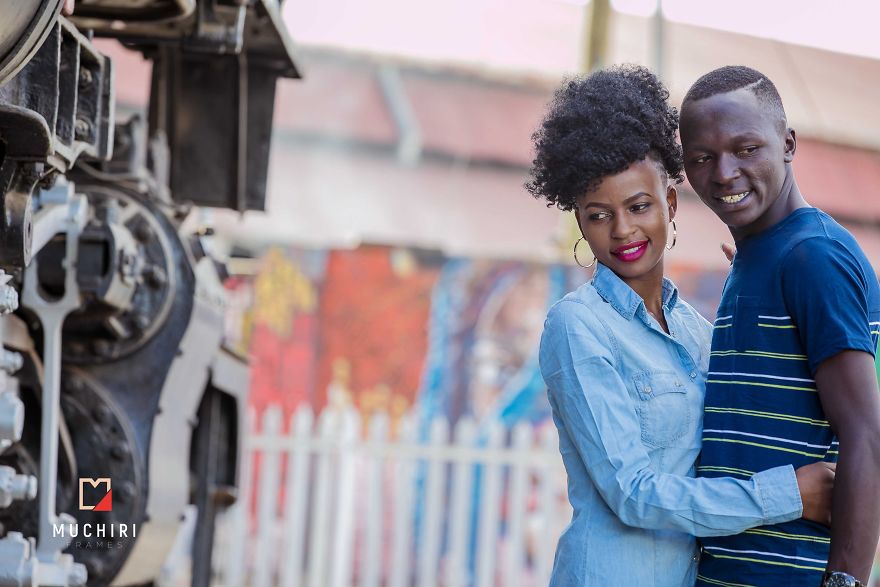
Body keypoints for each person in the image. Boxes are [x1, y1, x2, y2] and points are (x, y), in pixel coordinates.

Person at [527, 64, 835, 586]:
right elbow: (632, 492)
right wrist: (788, 495)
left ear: (670, 203)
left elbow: (747, 414)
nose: (623, 230)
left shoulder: (696, 332)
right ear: (579, 220)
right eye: (598, 215)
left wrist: (759, 282)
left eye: (639, 206)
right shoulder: (577, 327)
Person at [679, 65, 880, 587]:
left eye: (746, 149)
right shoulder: (761, 256)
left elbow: (867, 433)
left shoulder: (811, 257)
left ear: (788, 143)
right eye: (702, 157)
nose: (723, 173)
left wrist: (846, 583)